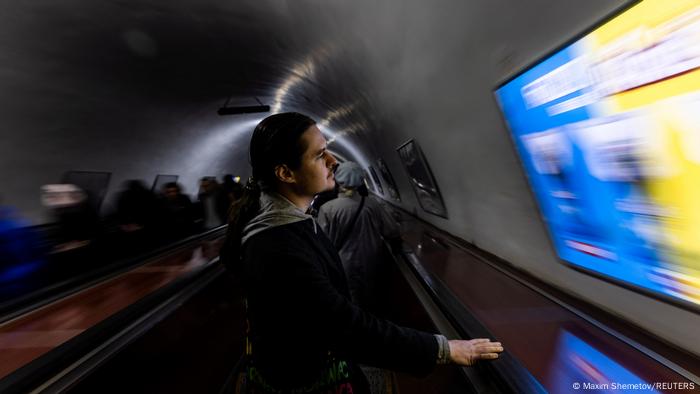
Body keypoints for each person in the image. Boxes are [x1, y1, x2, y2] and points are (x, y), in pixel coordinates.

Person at [222, 112, 503, 393]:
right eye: (320, 155)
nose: (333, 161)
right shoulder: (278, 246)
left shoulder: (287, 222)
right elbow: (344, 326)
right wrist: (443, 349)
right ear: (286, 173)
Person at [317, 161, 400, 311]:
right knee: (375, 302)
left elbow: (322, 242)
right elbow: (391, 231)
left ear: (338, 180)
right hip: (374, 263)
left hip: (344, 265)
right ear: (361, 180)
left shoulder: (328, 209)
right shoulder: (372, 204)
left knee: (353, 303)